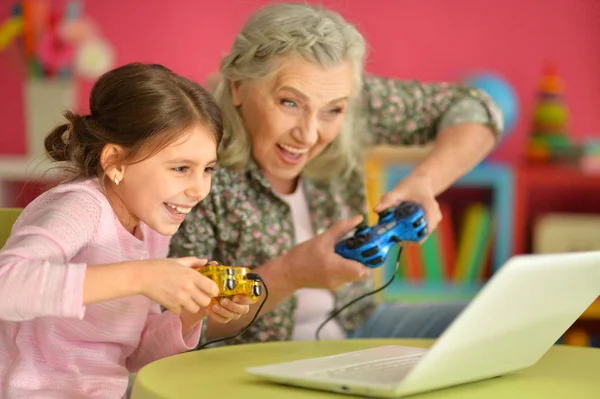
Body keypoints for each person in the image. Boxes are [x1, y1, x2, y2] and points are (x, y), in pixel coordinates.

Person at [169, 3, 504, 347]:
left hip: (358, 326)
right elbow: (182, 328)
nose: (309, 135)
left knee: (504, 324)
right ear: (238, 86)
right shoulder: (192, 161)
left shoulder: (347, 98)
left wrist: (425, 182)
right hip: (250, 353)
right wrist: (290, 273)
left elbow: (479, 110)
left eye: (333, 111)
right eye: (289, 103)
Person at [0, 63, 254, 398]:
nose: (199, 189)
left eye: (207, 169)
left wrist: (190, 314)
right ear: (116, 163)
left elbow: (131, 356)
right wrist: (142, 277)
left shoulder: (152, 228)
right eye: (181, 168)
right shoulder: (80, 208)